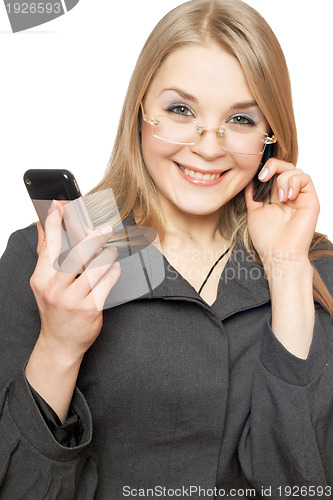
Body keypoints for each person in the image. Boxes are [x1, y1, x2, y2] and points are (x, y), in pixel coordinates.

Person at [1, 0, 333, 498]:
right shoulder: (46, 259)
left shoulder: (315, 270)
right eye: (181, 110)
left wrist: (286, 270)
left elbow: (303, 483)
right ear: (141, 110)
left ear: (269, 137)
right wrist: (59, 346)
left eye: (241, 119)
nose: (208, 146)